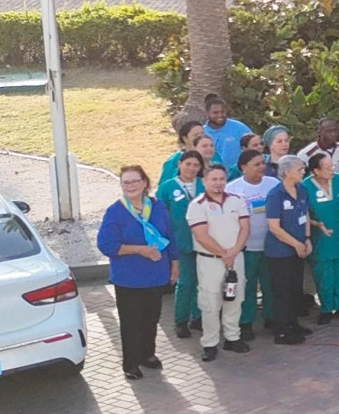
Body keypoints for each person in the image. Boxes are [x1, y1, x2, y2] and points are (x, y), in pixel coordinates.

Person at [97, 165, 178, 380]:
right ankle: (131, 363)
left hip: (156, 274)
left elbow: (170, 235)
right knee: (131, 322)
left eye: (135, 181)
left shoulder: (158, 207)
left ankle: (147, 354)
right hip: (128, 278)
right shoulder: (115, 211)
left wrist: (175, 263)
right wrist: (140, 250)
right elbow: (106, 245)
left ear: (144, 183)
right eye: (126, 182)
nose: (130, 186)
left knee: (151, 318)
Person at [186, 164, 252, 361]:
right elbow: (201, 236)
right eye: (213, 179)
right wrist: (224, 254)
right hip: (210, 261)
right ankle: (210, 342)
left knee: (235, 297)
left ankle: (232, 337)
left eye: (221, 179)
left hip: (236, 258)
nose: (218, 183)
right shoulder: (197, 205)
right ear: (204, 181)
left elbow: (245, 228)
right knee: (210, 302)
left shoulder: (236, 200)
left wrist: (235, 251)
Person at [262, 156, 315, 344]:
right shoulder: (275, 195)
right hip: (280, 252)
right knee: (282, 291)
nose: (303, 172)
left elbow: (305, 213)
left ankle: (293, 323)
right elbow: (274, 227)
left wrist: (307, 238)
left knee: (295, 289)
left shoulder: (301, 189)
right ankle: (282, 331)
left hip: (299, 248)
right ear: (287, 172)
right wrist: (296, 244)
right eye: (300, 169)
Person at [226, 150, 278, 334]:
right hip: (245, 248)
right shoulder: (231, 189)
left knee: (270, 283)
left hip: (271, 245)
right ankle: (246, 321)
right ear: (243, 167)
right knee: (246, 285)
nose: (261, 167)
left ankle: (272, 317)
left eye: (262, 163)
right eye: (256, 164)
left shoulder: (273, 184)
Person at [157, 150, 205, 338]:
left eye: (196, 165)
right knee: (186, 282)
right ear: (179, 164)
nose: (191, 169)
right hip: (181, 242)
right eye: (188, 164)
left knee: (203, 281)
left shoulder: (203, 184)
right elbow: (159, 215)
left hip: (205, 242)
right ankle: (181, 320)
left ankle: (199, 316)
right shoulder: (168, 187)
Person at [304, 152, 339, 323]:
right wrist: (316, 226)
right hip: (320, 239)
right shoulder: (305, 187)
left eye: (332, 166)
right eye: (327, 167)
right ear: (316, 171)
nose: (332, 169)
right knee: (323, 274)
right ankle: (325, 308)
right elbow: (303, 214)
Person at [200, 94, 252, 168]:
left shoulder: (239, 128)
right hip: (213, 176)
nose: (220, 115)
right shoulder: (202, 132)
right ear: (207, 113)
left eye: (222, 112)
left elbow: (254, 146)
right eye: (215, 113)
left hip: (237, 175)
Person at [159, 120, 204, 185]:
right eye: (195, 135)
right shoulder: (173, 161)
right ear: (185, 138)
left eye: (202, 134)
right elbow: (163, 187)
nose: (200, 137)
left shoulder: (213, 156)